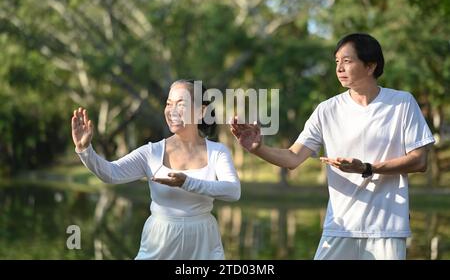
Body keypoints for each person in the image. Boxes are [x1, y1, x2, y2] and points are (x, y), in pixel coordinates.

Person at [230, 33, 435, 260]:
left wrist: (367, 168)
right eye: (337, 61)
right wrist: (258, 148)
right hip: (340, 227)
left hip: (386, 228)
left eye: (347, 61)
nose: (339, 68)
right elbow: (292, 158)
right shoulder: (327, 110)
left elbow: (419, 160)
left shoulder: (402, 103)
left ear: (370, 66)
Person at [71, 79, 241, 260]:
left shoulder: (217, 152)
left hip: (204, 242)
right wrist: (85, 150)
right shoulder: (151, 152)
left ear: (201, 111)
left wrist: (187, 182)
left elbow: (233, 191)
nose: (172, 110)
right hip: (160, 241)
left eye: (181, 104)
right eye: (169, 104)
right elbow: (111, 173)